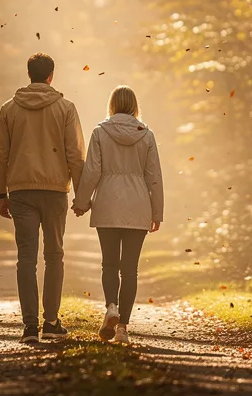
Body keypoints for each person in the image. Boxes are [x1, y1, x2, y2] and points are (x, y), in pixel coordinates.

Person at [0, 52, 85, 344]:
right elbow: (75, 155)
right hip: (56, 191)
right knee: (54, 255)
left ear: (28, 73)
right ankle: (51, 321)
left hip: (20, 191)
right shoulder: (66, 108)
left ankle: (30, 326)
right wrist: (81, 193)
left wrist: (1, 193)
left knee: (26, 258)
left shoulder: (8, 109)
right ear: (51, 76)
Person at [72, 85, 164, 345]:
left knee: (109, 264)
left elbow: (91, 171)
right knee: (130, 269)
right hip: (138, 207)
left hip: (108, 204)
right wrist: (157, 211)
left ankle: (111, 306)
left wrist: (81, 202)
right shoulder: (146, 134)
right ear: (135, 105)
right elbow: (154, 177)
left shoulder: (101, 132)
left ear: (112, 105)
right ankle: (122, 327)